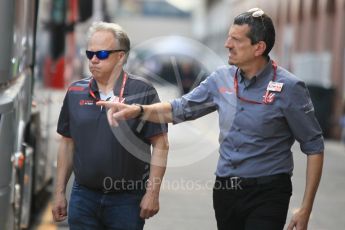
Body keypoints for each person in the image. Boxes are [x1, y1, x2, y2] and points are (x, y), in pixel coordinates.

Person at [98, 8, 324, 230]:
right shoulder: (220, 79)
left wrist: (305, 208)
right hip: (226, 189)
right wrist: (137, 109)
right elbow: (180, 108)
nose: (227, 44)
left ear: (259, 47)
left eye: (235, 39)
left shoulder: (289, 87)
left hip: (268, 191)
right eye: (228, 37)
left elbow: (314, 147)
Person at [52, 21, 169, 230]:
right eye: (90, 54)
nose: (94, 60)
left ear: (121, 56)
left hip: (126, 201)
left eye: (102, 54)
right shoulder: (75, 91)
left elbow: (161, 144)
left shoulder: (143, 92)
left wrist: (152, 194)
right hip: (83, 196)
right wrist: (59, 192)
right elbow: (67, 144)